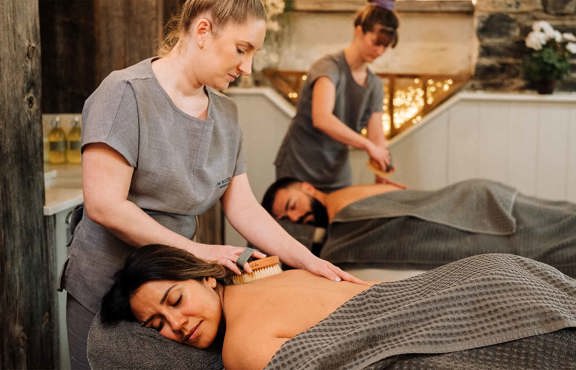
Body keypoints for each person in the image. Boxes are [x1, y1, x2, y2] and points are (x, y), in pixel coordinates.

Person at [63, 1, 358, 368]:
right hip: (109, 286)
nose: (247, 67)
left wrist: (308, 260)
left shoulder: (226, 114)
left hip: (182, 290)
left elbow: (244, 208)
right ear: (203, 31)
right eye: (241, 49)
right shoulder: (126, 93)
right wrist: (196, 251)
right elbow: (105, 205)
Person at [97, 244, 576, 370]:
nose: (176, 325)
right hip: (488, 275)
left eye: (174, 300)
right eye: (157, 324)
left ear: (204, 275)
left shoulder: (240, 349)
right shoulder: (269, 270)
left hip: (450, 302)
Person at [261, 177, 576, 277]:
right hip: (477, 204)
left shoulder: (341, 214)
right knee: (561, 225)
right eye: (287, 220)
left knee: (556, 239)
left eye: (292, 205)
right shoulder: (351, 205)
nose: (297, 218)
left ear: (306, 187)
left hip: (476, 217)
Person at [274, 0, 399, 192]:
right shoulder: (328, 68)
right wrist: (367, 146)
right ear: (358, 31)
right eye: (376, 43)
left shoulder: (374, 85)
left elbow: (376, 136)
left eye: (385, 46)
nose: (380, 51)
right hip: (299, 168)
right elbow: (322, 118)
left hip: (336, 174)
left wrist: (381, 171)